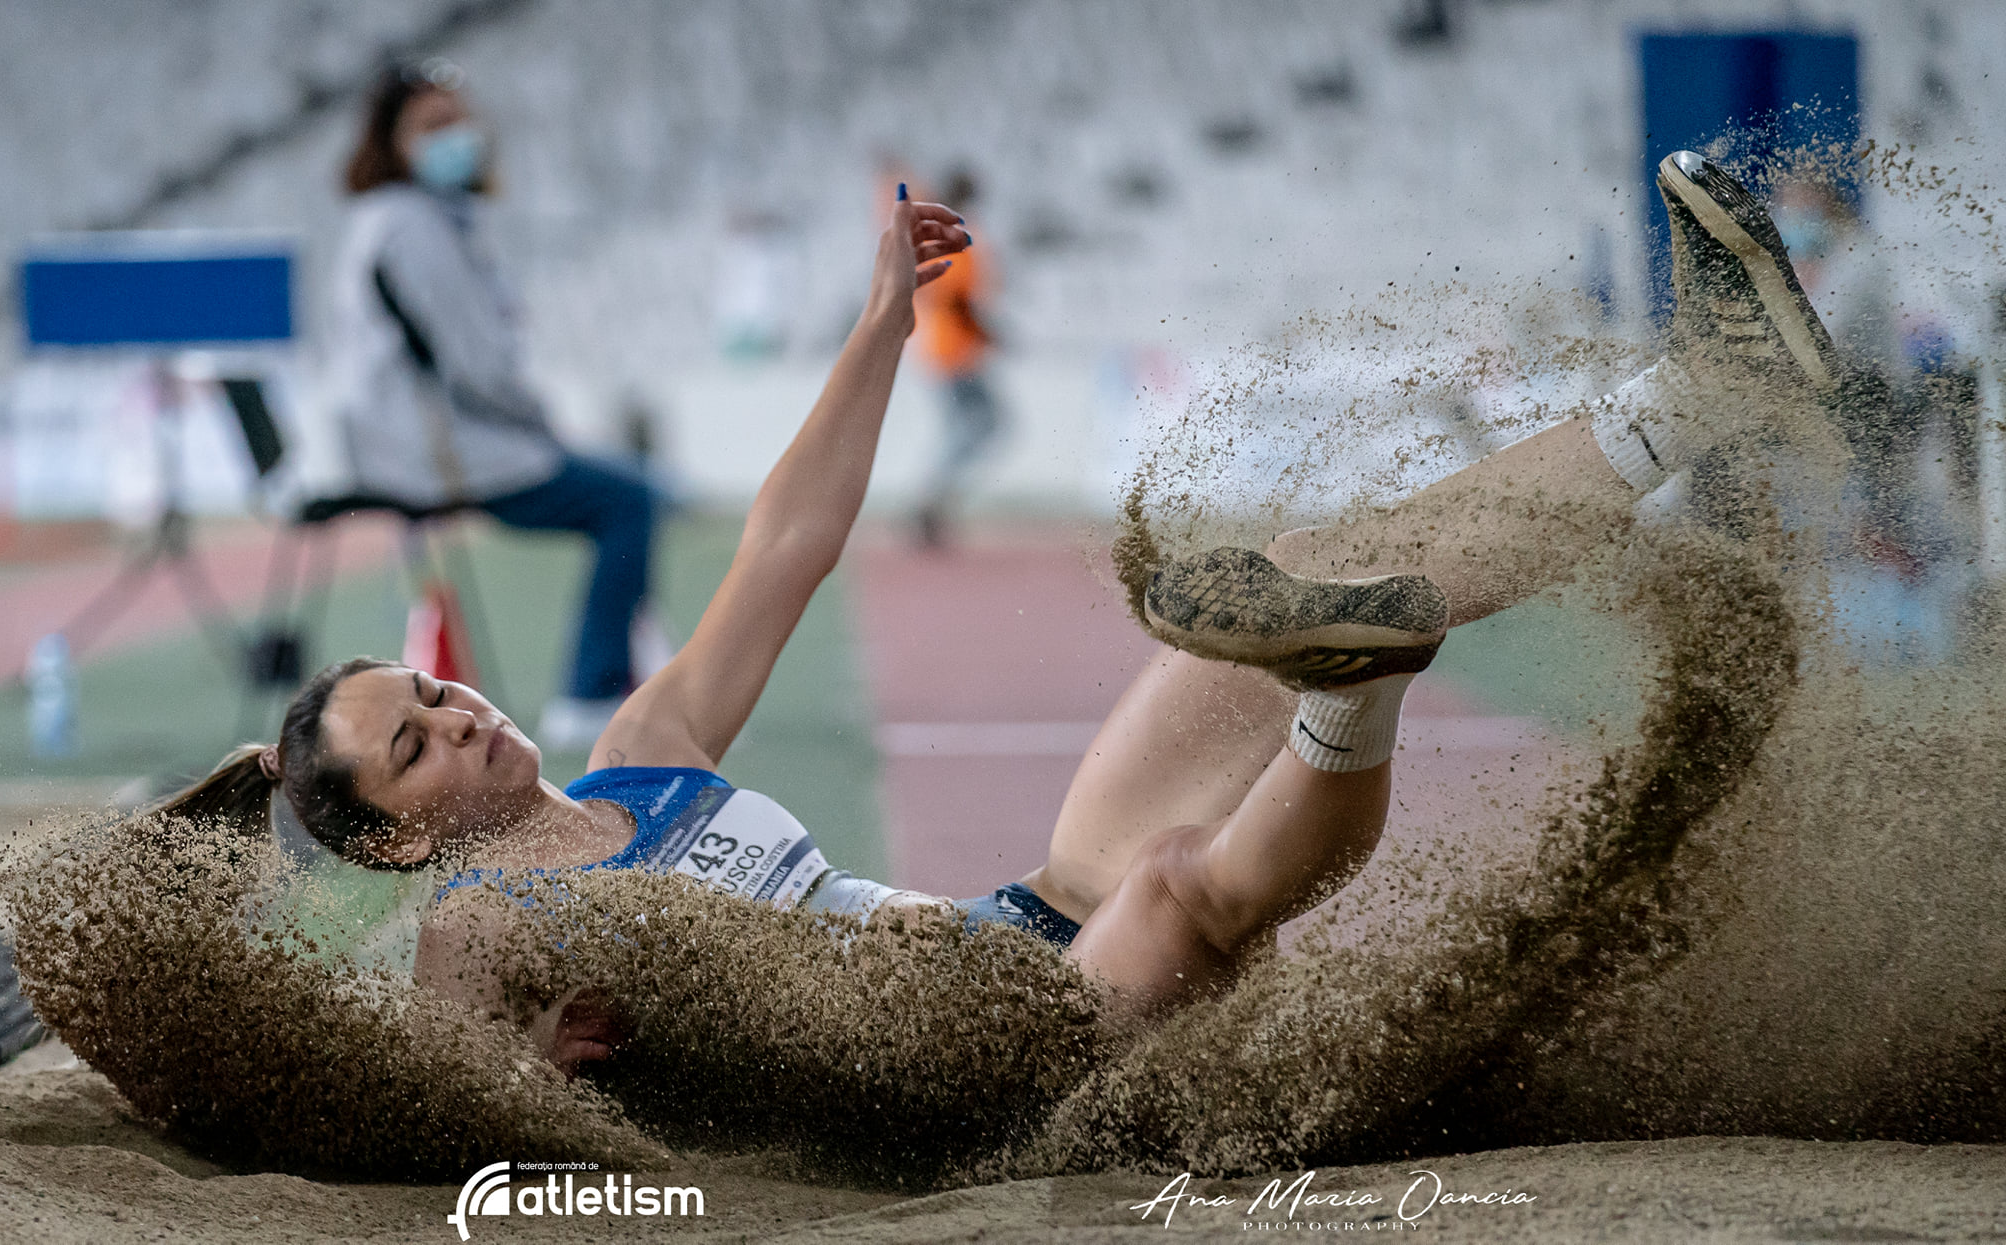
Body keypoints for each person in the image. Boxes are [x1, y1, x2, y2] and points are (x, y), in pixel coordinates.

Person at [167, 152, 1831, 1074]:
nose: (464, 716)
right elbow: (462, 1125)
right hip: (970, 1084)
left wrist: (883, 324)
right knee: (1180, 891)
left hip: (1017, 933)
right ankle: (1353, 696)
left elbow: (786, 547)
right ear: (389, 842)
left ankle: (1695, 395)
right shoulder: (467, 929)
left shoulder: (638, 761)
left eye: (439, 698)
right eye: (418, 742)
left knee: (1282, 588)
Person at [325, 57, 663, 749]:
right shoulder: (410, 225)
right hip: (436, 452)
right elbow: (478, 364)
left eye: (458, 118)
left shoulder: (402, 218)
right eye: (432, 125)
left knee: (623, 491)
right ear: (392, 142)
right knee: (630, 500)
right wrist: (544, 427)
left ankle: (616, 675)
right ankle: (591, 690)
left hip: (427, 440)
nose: (456, 135)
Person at [910, 167, 1007, 546]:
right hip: (955, 353)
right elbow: (958, 301)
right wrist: (989, 334)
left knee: (968, 427)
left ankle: (933, 503)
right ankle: (930, 499)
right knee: (984, 424)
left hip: (942, 349)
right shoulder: (957, 237)